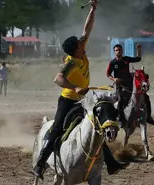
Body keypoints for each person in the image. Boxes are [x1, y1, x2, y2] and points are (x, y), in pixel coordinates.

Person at [32, 0, 129, 180]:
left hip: (84, 100)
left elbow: (87, 29)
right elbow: (58, 79)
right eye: (79, 44)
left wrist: (93, 9)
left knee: (96, 127)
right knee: (56, 130)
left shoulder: (80, 50)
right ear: (75, 50)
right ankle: (40, 163)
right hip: (68, 100)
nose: (82, 43)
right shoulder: (70, 63)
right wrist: (75, 87)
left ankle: (111, 163)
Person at [106, 44, 154, 127]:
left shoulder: (126, 59)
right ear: (114, 52)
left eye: (120, 50)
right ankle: (121, 120)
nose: (118, 51)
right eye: (116, 50)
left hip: (130, 84)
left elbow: (138, 59)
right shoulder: (112, 63)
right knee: (120, 101)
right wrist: (114, 79)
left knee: (146, 97)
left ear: (122, 51)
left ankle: (148, 117)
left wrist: (138, 49)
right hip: (120, 86)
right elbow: (108, 74)